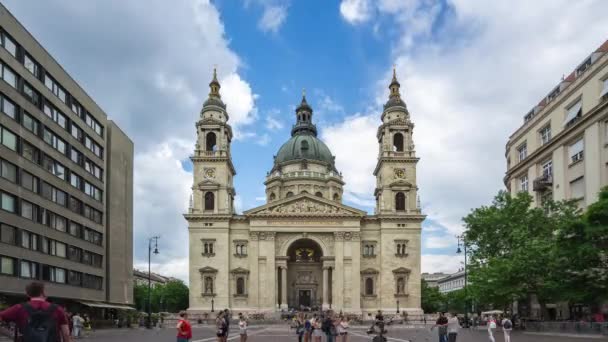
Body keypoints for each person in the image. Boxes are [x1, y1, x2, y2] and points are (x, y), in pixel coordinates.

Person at [0, 281, 70, 342]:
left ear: (27, 294)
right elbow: (66, 334)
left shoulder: (19, 308)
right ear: (43, 292)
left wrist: (11, 335)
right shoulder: (58, 309)